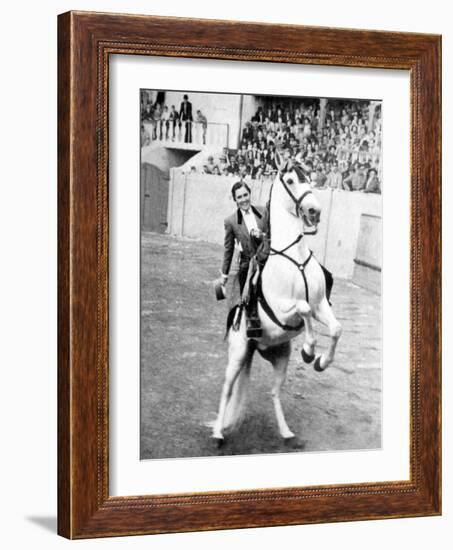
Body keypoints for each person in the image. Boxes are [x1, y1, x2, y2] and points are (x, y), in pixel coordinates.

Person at [219, 181, 269, 337]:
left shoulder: (263, 211)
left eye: (245, 195)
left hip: (267, 259)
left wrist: (262, 236)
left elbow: (273, 235)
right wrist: (224, 274)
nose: (243, 200)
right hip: (248, 263)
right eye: (239, 197)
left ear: (250, 194)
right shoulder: (231, 221)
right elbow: (228, 249)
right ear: (235, 200)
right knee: (247, 294)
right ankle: (252, 327)